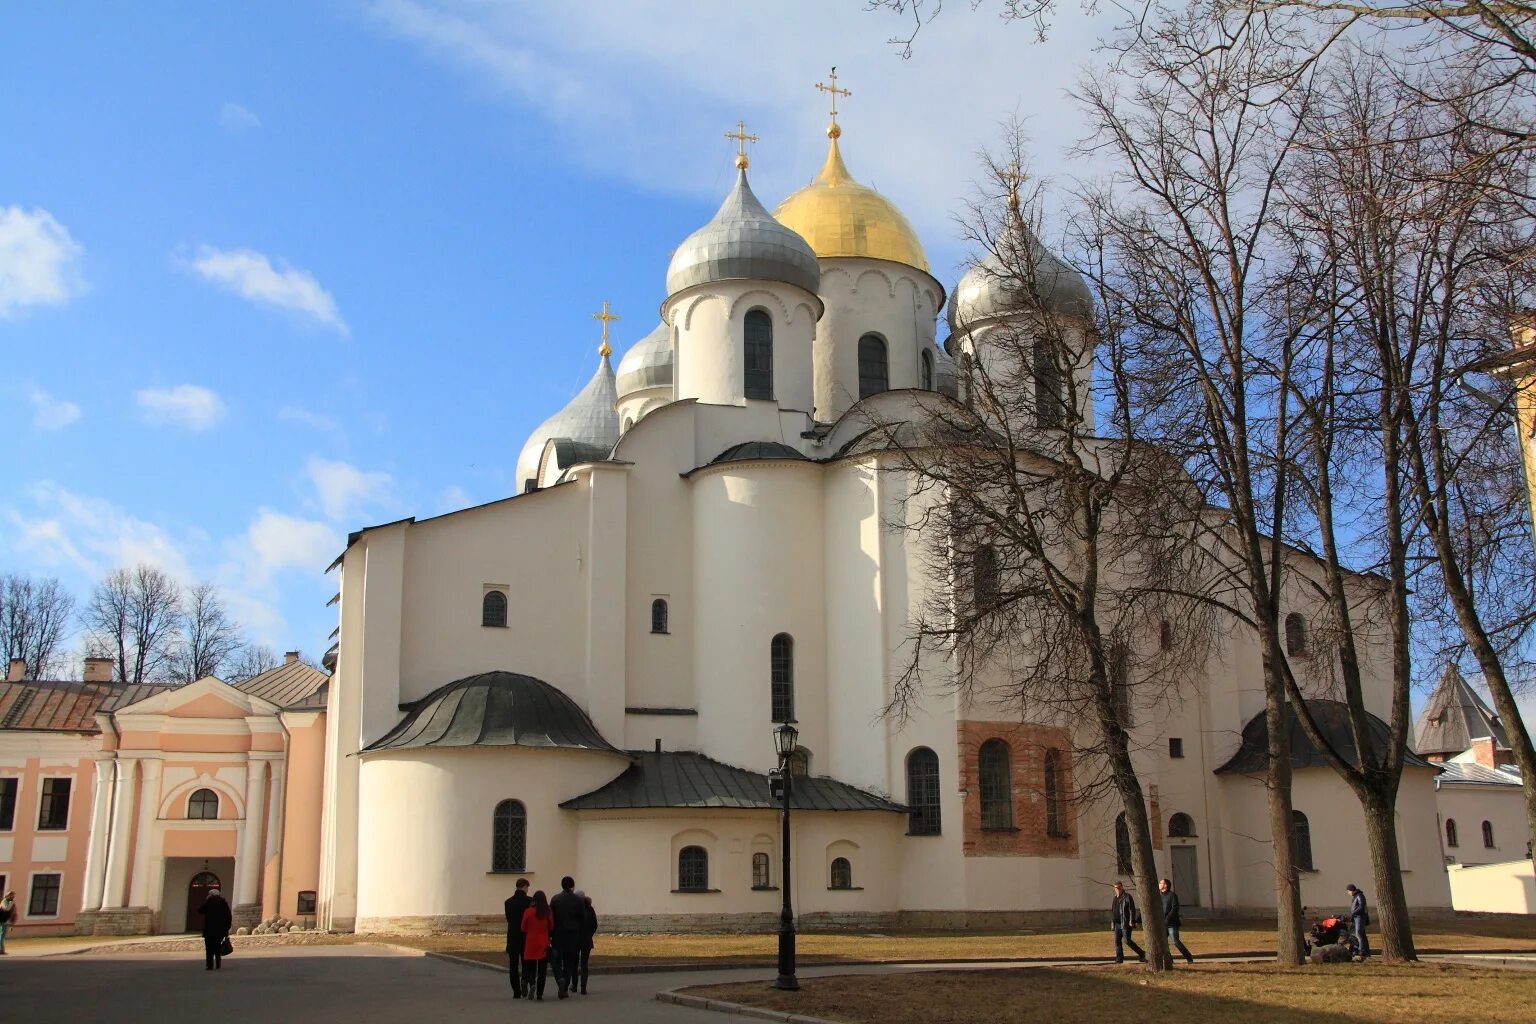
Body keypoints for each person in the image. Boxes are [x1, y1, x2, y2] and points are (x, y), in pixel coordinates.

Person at [549, 875, 584, 998]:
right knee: (569, 962)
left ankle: (559, 978)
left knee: (556, 960)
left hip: (558, 935)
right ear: (572, 886)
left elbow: (550, 919)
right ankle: (565, 985)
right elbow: (582, 918)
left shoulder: (555, 899)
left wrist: (550, 934)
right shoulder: (578, 900)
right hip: (573, 935)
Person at [520, 890, 553, 1000]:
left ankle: (532, 983)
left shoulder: (528, 911)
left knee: (530, 966)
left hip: (531, 942)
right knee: (542, 970)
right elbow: (552, 926)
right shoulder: (547, 911)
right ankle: (540, 994)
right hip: (543, 942)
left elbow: (523, 927)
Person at [504, 878, 532, 998]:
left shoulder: (508, 902)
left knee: (513, 966)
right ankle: (524, 981)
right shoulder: (530, 901)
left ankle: (516, 991)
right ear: (525, 887)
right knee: (526, 963)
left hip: (513, 936)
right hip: (526, 936)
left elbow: (509, 919)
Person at [1159, 878, 1195, 964]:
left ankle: (1189, 957)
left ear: (1165, 885)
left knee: (1175, 941)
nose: (1159, 884)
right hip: (1163, 923)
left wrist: (1167, 918)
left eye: (1161, 883)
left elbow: (1175, 908)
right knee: (1163, 943)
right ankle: (1169, 960)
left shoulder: (1172, 895)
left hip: (1172, 923)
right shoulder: (1159, 896)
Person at [1109, 882, 1145, 963]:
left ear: (1122, 887)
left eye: (1118, 888)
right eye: (1115, 888)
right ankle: (1119, 958)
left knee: (1127, 940)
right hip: (1117, 924)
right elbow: (1113, 911)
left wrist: (1131, 921)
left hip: (1125, 923)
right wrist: (1113, 923)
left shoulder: (1127, 897)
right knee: (1117, 941)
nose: (1117, 889)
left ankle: (1142, 953)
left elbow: (1131, 909)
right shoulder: (1115, 898)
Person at [200, 884, 233, 971]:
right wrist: (227, 928)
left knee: (209, 948)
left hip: (210, 930)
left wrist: (207, 900)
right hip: (220, 930)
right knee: (218, 947)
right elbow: (228, 916)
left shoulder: (209, 902)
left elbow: (200, 910)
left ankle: (209, 965)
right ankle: (218, 964)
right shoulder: (223, 903)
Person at [576, 891, 598, 994]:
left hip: (575, 939)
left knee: (573, 963)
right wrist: (590, 934)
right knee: (584, 964)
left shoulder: (574, 910)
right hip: (586, 940)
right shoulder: (590, 909)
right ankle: (583, 987)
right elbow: (595, 924)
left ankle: (574, 986)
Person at [1346, 883, 1371, 961]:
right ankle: (1365, 951)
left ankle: (1362, 951)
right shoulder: (1356, 896)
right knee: (1361, 934)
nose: (1348, 893)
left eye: (1348, 891)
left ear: (1351, 890)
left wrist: (1354, 913)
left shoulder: (1359, 896)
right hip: (1357, 917)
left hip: (1359, 917)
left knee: (1359, 933)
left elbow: (1361, 906)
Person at [1, 889, 16, 955]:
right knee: (2, 935)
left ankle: (1, 950)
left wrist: (12, 921)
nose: (13, 897)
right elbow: (6, 908)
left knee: (2, 935)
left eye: (13, 895)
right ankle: (1, 950)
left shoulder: (10, 902)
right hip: (3, 920)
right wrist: (11, 903)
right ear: (7, 896)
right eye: (11, 895)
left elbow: (13, 912)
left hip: (6, 920)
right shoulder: (4, 901)